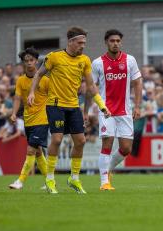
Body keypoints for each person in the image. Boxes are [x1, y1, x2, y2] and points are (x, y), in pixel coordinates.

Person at [27, 27, 110, 194]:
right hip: (55, 104)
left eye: (84, 43)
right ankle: (50, 179)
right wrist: (31, 93)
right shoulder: (54, 57)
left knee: (81, 141)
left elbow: (91, 87)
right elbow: (38, 74)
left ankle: (74, 178)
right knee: (56, 140)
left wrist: (101, 105)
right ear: (70, 42)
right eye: (80, 43)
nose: (82, 46)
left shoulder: (85, 60)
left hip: (73, 106)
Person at [91, 29, 142, 191]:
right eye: (112, 41)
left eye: (118, 41)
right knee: (107, 143)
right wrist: (91, 108)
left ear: (121, 42)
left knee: (126, 148)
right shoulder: (98, 63)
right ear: (106, 42)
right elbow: (92, 87)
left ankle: (108, 169)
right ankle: (104, 182)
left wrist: (138, 106)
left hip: (125, 110)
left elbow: (138, 82)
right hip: (107, 111)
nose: (115, 43)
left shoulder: (130, 60)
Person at [8, 48, 49, 190]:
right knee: (38, 152)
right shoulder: (20, 80)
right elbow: (18, 98)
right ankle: (50, 181)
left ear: (37, 61)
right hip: (28, 120)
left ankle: (20, 181)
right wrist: (14, 113)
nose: (29, 63)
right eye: (26, 61)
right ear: (23, 63)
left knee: (31, 150)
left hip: (42, 120)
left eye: (32, 60)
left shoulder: (45, 80)